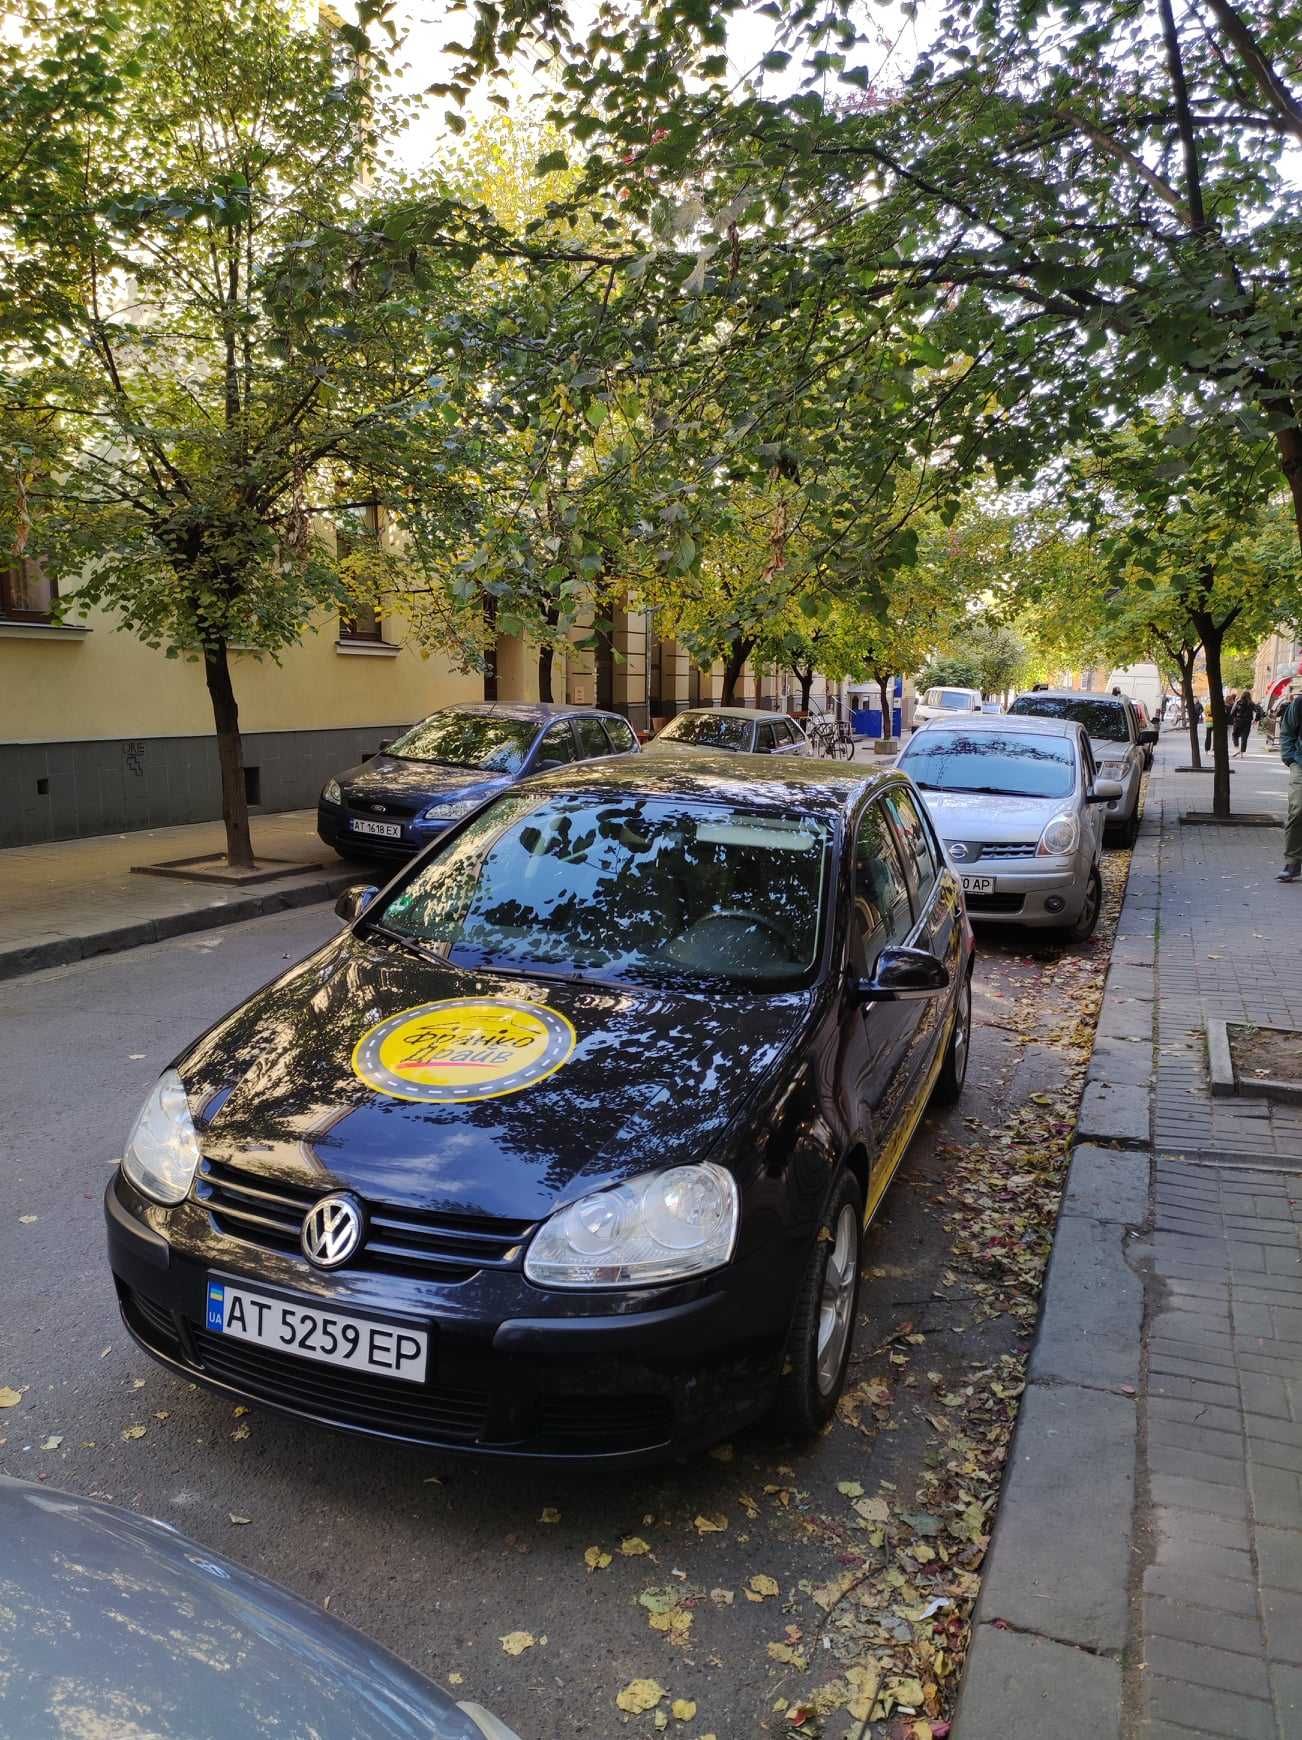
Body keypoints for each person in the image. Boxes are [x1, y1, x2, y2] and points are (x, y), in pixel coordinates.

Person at [1277, 668, 1302, 881]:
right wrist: (1290, 758)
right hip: (1300, 763)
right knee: (1298, 808)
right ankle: (1293, 861)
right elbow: (1287, 731)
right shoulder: (1299, 704)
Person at [1231, 689, 1257, 756]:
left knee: (1235, 735)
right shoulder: (1251, 703)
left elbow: (1232, 712)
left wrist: (1234, 718)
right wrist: (1256, 720)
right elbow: (1259, 711)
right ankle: (1242, 753)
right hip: (1247, 722)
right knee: (1244, 736)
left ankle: (1236, 748)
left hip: (1238, 721)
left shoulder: (1238, 702)